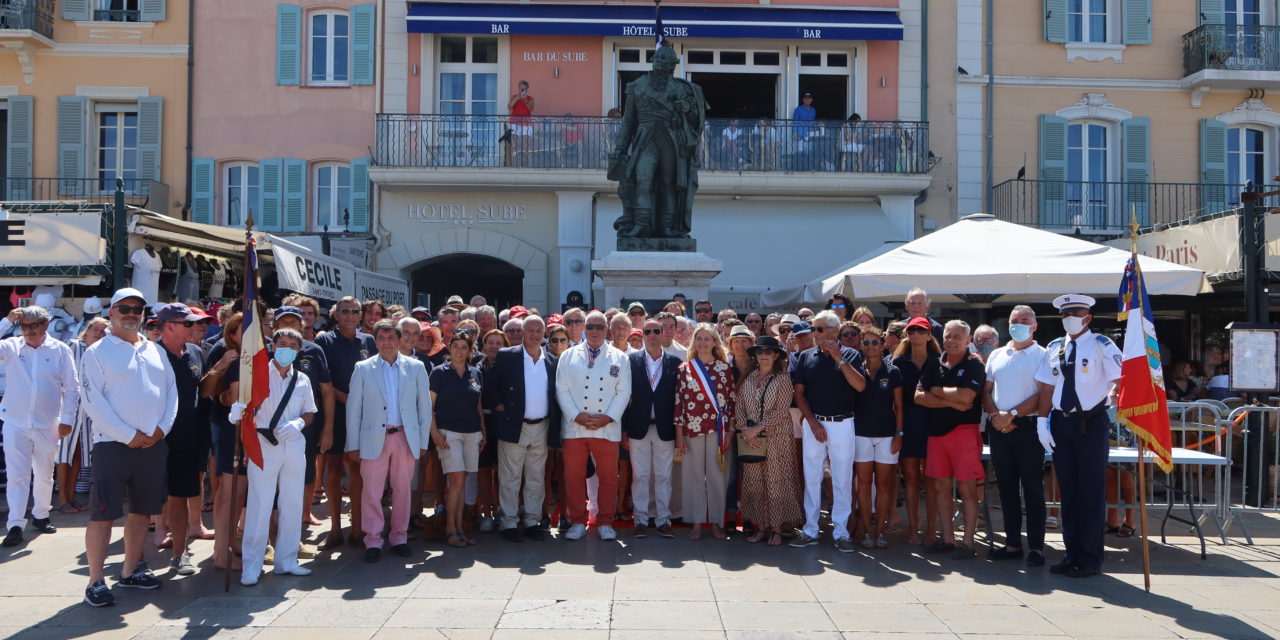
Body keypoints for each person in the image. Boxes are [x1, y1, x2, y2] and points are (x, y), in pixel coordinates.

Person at [80, 288, 178, 607]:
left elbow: (171, 394)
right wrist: (128, 434)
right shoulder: (96, 353)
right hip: (113, 446)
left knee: (141, 511)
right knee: (103, 514)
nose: (132, 313)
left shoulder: (155, 350)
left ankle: (130, 569)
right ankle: (95, 580)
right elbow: (93, 402)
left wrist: (162, 428)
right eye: (125, 308)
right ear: (112, 312)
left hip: (153, 444)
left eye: (138, 308)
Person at [1035, 294, 1122, 578]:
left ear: (1088, 317)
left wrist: (1121, 404)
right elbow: (1046, 387)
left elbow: (1123, 380)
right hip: (1062, 422)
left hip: (1091, 423)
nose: (1070, 318)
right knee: (1068, 492)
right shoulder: (1054, 346)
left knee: (1090, 492)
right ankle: (1071, 554)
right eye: (1065, 314)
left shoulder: (1102, 345)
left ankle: (1090, 558)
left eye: (1076, 312)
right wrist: (1040, 422)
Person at [228, 328, 317, 585]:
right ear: (273, 345)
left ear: (298, 351)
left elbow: (310, 412)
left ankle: (287, 561)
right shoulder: (256, 375)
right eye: (282, 343)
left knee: (292, 503)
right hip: (263, 443)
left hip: (293, 444)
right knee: (259, 505)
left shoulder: (302, 379)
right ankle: (252, 566)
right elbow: (242, 409)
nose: (286, 348)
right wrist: (235, 412)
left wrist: (300, 423)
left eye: (292, 345)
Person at [347, 319, 432, 562]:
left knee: (403, 490)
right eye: (381, 338)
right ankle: (372, 540)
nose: (386, 342)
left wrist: (423, 441)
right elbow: (354, 409)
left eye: (390, 338)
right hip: (374, 438)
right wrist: (353, 444)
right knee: (371, 492)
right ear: (375, 341)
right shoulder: (363, 368)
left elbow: (423, 407)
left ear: (399, 340)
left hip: (405, 436)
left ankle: (399, 537)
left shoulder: (415, 367)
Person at [609, 43, 706, 239]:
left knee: (668, 184)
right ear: (653, 61)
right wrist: (620, 147)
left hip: (671, 139)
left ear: (672, 66)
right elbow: (628, 121)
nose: (660, 62)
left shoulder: (682, 89)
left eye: (665, 59)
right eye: (658, 58)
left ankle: (667, 227)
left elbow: (697, 121)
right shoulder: (636, 86)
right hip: (646, 139)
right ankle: (641, 224)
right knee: (642, 180)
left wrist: (687, 108)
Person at [0, 306, 79, 548]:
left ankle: (41, 514)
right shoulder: (11, 346)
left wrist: (67, 419)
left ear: (46, 325)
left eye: (34, 325)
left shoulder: (61, 350)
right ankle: (15, 523)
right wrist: (7, 321)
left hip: (47, 422)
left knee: (44, 473)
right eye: (24, 326)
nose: (29, 330)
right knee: (17, 475)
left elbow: (72, 387)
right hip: (16, 421)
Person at [790, 311, 866, 551]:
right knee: (812, 477)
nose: (815, 334)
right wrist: (812, 422)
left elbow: (860, 385)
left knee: (842, 478)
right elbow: (799, 393)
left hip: (843, 423)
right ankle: (811, 529)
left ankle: (841, 532)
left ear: (834, 331)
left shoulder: (852, 354)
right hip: (814, 424)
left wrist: (839, 358)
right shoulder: (805, 357)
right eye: (814, 329)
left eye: (819, 329)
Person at [554, 311, 632, 541]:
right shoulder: (568, 356)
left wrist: (608, 417)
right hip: (575, 426)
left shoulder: (620, 358)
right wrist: (575, 415)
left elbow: (624, 391)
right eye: (591, 326)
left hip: (606, 427)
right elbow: (561, 389)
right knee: (574, 475)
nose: (595, 331)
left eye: (600, 327)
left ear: (607, 329)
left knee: (609, 476)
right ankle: (578, 520)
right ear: (585, 329)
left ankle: (606, 521)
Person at [982, 305, 1047, 567]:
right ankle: (1011, 544)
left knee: (1032, 488)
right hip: (999, 428)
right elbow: (986, 390)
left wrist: (1013, 414)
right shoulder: (997, 354)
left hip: (1028, 428)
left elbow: (1044, 394)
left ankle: (1036, 548)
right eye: (1013, 320)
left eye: (1024, 320)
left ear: (1034, 326)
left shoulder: (1043, 355)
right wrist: (997, 416)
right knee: (1007, 488)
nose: (1018, 324)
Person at [915, 320, 987, 558]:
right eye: (948, 336)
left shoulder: (975, 364)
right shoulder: (935, 363)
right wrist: (949, 400)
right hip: (936, 435)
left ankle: (968, 542)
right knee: (940, 487)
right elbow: (918, 397)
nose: (952, 340)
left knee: (967, 489)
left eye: (957, 337)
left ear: (968, 341)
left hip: (964, 433)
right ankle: (948, 538)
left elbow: (967, 397)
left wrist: (935, 391)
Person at [486, 315, 560, 542]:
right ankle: (509, 522)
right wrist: (500, 407)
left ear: (544, 333)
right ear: (522, 332)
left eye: (539, 330)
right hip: (513, 425)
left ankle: (531, 521)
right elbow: (490, 385)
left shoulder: (551, 361)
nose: (535, 334)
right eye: (530, 330)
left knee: (536, 477)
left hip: (541, 425)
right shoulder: (508, 356)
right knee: (510, 476)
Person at [153, 303, 210, 576]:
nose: (194, 328)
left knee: (180, 496)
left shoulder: (197, 352)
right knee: (146, 500)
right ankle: (133, 562)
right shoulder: (150, 354)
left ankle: (179, 553)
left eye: (195, 323)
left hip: (188, 437)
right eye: (188, 324)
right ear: (168, 326)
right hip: (154, 438)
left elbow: (204, 390)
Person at [315, 296, 375, 549]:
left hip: (363, 416)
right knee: (334, 471)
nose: (350, 315)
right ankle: (336, 530)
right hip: (335, 414)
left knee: (358, 470)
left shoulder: (369, 341)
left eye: (355, 311)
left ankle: (358, 529)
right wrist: (346, 399)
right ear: (336, 315)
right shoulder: (324, 340)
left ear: (361, 315)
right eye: (345, 311)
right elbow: (323, 381)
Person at [737, 336, 801, 546]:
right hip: (751, 439)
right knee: (755, 483)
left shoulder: (783, 379)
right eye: (760, 351)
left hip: (776, 438)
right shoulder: (748, 378)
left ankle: (777, 529)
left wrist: (757, 429)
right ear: (755, 355)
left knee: (775, 482)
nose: (764, 355)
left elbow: (782, 410)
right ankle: (761, 526)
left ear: (775, 355)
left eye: (768, 351)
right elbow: (739, 407)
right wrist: (746, 431)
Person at [675, 324, 736, 540]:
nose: (702, 342)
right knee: (692, 477)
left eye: (707, 338)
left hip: (717, 430)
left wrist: (729, 432)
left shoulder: (724, 368)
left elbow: (731, 401)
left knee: (717, 476)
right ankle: (697, 522)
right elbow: (679, 402)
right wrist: (679, 433)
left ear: (714, 342)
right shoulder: (685, 369)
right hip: (691, 430)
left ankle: (717, 522)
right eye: (698, 338)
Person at [623, 318, 681, 539]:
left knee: (664, 476)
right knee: (640, 476)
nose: (652, 334)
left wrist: (679, 431)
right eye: (648, 331)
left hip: (665, 428)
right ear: (643, 334)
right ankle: (640, 519)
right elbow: (625, 397)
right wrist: (624, 429)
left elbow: (679, 399)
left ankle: (663, 520)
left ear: (663, 332)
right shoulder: (631, 361)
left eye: (656, 330)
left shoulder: (675, 362)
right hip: (638, 428)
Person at [430, 333, 487, 548]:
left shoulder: (475, 373)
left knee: (461, 483)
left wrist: (484, 432)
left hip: (472, 433)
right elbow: (429, 406)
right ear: (449, 348)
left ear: (470, 350)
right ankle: (450, 530)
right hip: (448, 434)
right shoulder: (438, 373)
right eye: (456, 346)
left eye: (464, 347)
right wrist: (434, 434)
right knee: (455, 481)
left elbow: (478, 405)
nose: (460, 351)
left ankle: (460, 528)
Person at [891, 316, 940, 546]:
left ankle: (931, 530)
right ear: (907, 335)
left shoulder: (940, 361)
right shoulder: (898, 363)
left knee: (931, 481)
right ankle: (913, 529)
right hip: (908, 426)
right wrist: (898, 432)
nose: (916, 333)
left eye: (921, 330)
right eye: (912, 330)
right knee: (910, 480)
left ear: (929, 335)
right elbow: (895, 402)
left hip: (934, 426)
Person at [853, 325, 902, 549]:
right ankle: (865, 531)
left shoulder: (893, 372)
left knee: (883, 485)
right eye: (866, 343)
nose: (871, 347)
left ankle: (880, 531)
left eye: (875, 342)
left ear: (883, 345)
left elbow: (899, 407)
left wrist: (899, 435)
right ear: (861, 345)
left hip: (886, 436)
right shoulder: (855, 370)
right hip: (860, 434)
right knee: (863, 485)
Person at [57, 317, 108, 513]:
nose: (98, 333)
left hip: (87, 412)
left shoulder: (101, 353)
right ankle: (62, 499)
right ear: (86, 330)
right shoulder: (73, 345)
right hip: (69, 408)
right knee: (64, 453)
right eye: (95, 329)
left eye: (103, 331)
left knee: (78, 454)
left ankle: (71, 498)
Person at [508, 80, 535, 166]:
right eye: (521, 88)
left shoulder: (530, 98)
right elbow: (509, 106)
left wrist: (525, 100)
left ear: (527, 89)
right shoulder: (514, 97)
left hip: (526, 123)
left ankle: (527, 165)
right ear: (518, 88)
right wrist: (516, 99)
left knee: (527, 146)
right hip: (515, 123)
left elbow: (531, 109)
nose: (522, 90)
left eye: (524, 88)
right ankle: (514, 164)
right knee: (514, 145)